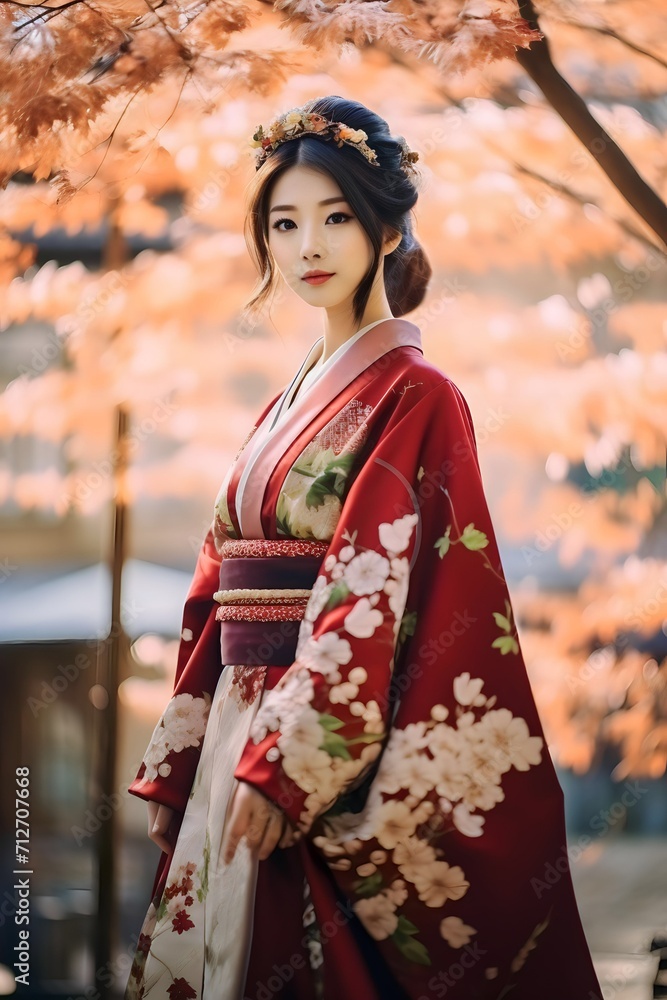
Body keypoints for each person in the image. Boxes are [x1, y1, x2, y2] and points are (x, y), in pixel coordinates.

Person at [124, 95, 603, 1000]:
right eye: (284, 223)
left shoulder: (419, 396)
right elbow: (217, 581)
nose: (308, 245)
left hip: (315, 747)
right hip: (237, 727)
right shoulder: (280, 405)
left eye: (336, 218)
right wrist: (184, 759)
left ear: (385, 230)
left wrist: (289, 765)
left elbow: (369, 590)